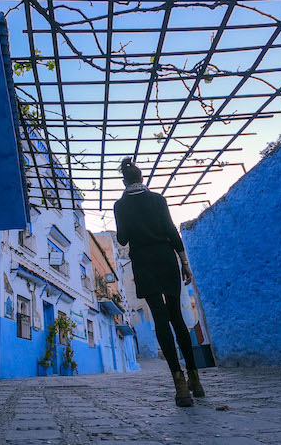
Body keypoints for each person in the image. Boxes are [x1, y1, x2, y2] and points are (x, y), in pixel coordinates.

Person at [113, 157, 205, 407]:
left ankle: (180, 384)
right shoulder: (158, 200)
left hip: (144, 264)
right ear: (142, 179)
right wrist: (184, 263)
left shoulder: (120, 206)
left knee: (160, 319)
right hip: (166, 261)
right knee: (177, 318)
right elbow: (171, 231)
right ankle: (195, 379)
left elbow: (121, 240)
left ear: (124, 181)